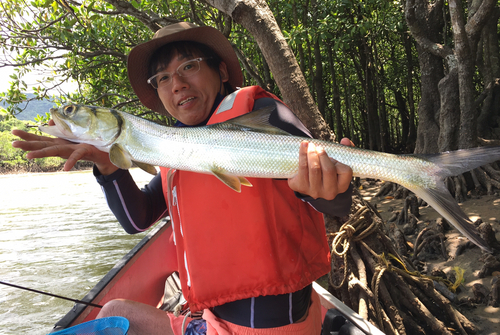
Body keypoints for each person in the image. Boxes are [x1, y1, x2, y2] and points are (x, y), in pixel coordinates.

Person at [12, 22, 354, 335]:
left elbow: (334, 199)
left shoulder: (261, 113)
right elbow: (138, 218)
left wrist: (330, 193)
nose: (176, 84)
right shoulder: (175, 149)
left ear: (220, 71)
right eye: (161, 78)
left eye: (188, 67)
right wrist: (108, 165)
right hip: (214, 321)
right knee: (114, 311)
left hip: (275, 329)